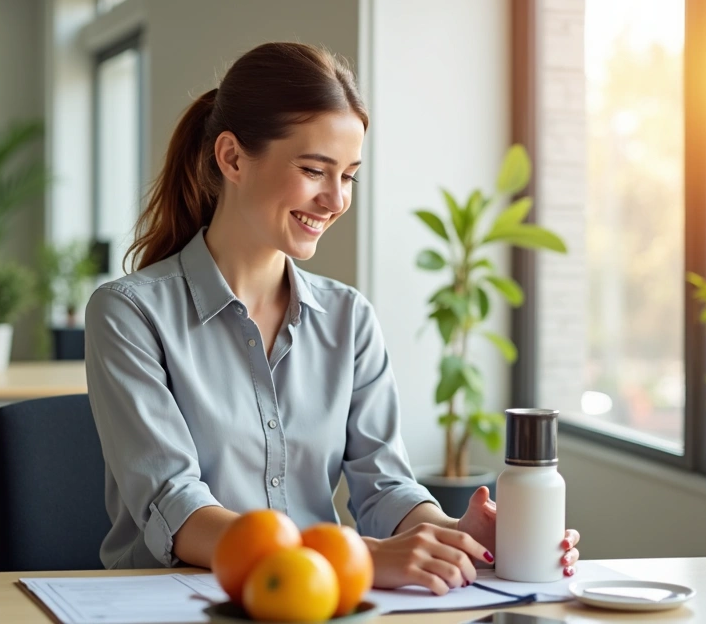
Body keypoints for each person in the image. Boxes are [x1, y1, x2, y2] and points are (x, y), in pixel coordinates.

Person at [85, 42, 580, 595]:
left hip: (322, 603)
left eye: (349, 176)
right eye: (315, 170)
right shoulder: (129, 312)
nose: (335, 200)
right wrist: (359, 557)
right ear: (232, 158)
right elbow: (179, 511)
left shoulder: (349, 318)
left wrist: (457, 536)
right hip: (171, 605)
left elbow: (384, 486)